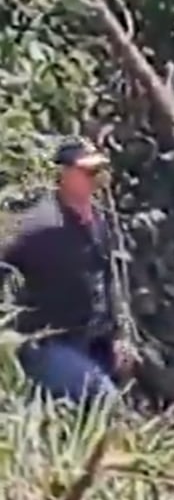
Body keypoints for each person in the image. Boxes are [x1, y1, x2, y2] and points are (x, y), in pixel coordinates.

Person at [0, 138, 128, 403]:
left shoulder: (97, 220)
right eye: (88, 172)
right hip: (50, 343)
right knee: (107, 402)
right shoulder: (40, 225)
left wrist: (116, 336)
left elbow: (106, 278)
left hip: (92, 340)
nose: (95, 179)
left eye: (99, 171)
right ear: (64, 174)